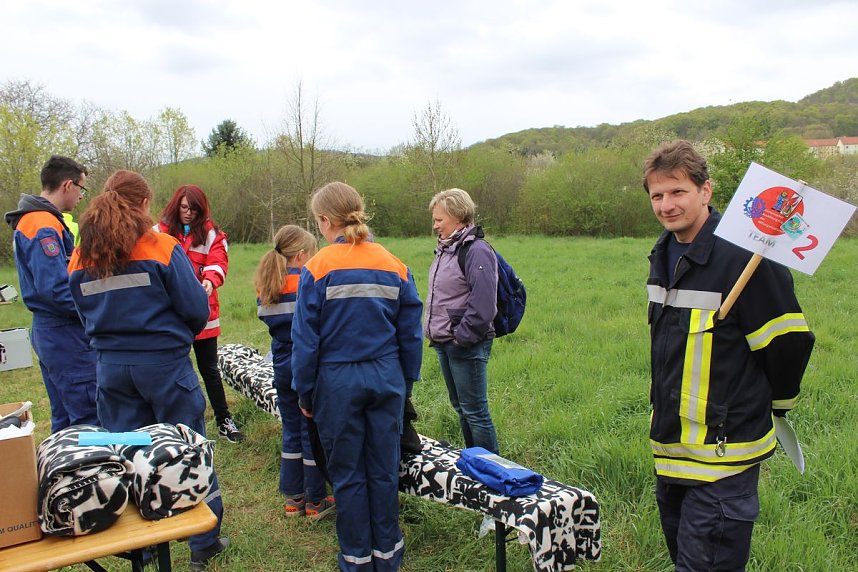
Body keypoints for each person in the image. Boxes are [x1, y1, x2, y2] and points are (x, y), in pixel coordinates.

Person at [643, 140, 815, 570]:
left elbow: (788, 342)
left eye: (678, 191)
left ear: (706, 191)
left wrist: (773, 404)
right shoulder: (662, 253)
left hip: (723, 458)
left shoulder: (746, 258)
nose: (666, 205)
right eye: (657, 195)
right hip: (670, 449)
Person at [68, 170, 229, 571]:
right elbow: (195, 308)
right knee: (187, 449)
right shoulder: (159, 245)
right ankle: (203, 543)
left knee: (129, 455)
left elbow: (79, 308)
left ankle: (141, 548)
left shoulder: (82, 253)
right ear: (143, 204)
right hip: (163, 365)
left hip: (111, 369)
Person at [292, 182, 423, 571]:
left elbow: (305, 340)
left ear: (323, 221)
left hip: (336, 382)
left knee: (348, 475)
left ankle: (356, 561)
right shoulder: (394, 263)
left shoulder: (316, 268)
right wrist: (405, 383)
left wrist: (305, 394)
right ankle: (388, 558)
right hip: (386, 377)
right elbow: (411, 334)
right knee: (383, 471)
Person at [4, 155, 98, 432]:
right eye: (82, 189)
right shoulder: (42, 224)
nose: (81, 196)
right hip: (63, 334)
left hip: (53, 333)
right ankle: (86, 473)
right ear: (68, 185)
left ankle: (63, 470)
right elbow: (56, 289)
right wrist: (97, 309)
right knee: (87, 417)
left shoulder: (42, 220)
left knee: (66, 416)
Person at [254, 225, 335, 520]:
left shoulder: (267, 283)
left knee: (291, 430)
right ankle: (316, 499)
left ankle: (293, 498)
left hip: (280, 362)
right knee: (309, 432)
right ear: (301, 254)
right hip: (304, 364)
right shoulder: (305, 280)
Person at [155, 185, 244, 443]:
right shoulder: (158, 232)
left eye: (194, 209)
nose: (188, 213)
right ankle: (174, 427)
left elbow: (219, 259)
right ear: (175, 205)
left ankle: (224, 419)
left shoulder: (211, 233)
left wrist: (210, 279)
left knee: (209, 369)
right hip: (170, 316)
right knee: (173, 371)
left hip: (203, 312)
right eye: (184, 207)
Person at [424, 188, 499, 453]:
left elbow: (484, 304)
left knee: (475, 412)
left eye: (439, 220)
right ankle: (475, 462)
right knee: (461, 408)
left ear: (457, 216)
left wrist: (461, 337)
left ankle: (493, 473)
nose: (435, 225)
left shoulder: (476, 250)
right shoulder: (446, 249)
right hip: (445, 342)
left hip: (464, 343)